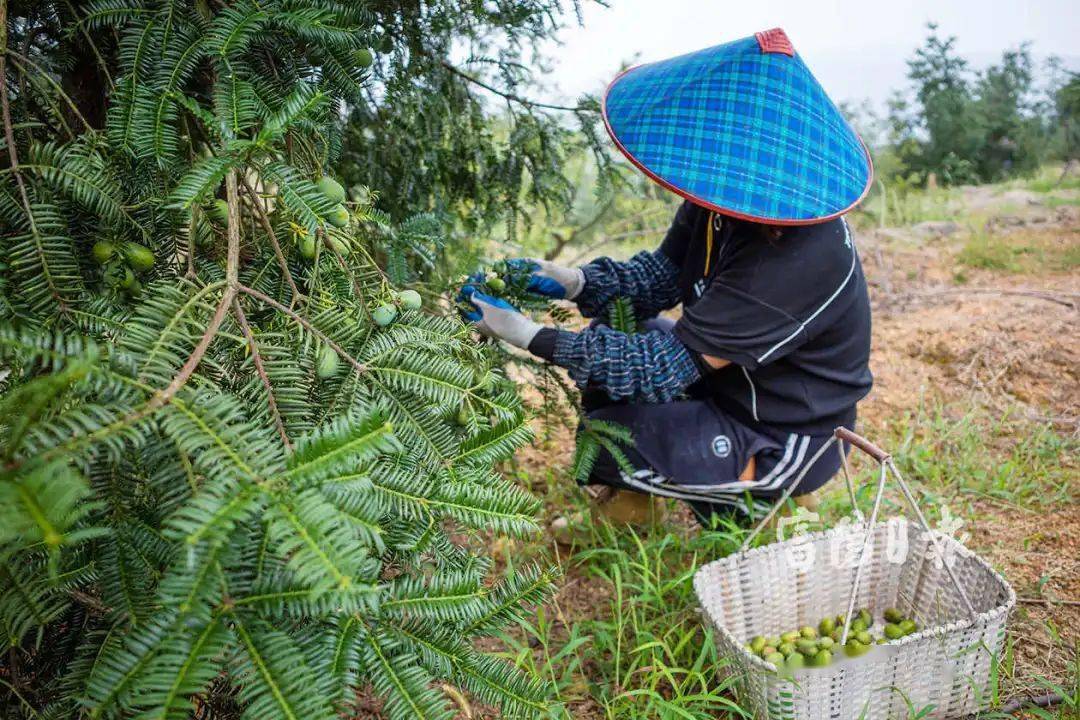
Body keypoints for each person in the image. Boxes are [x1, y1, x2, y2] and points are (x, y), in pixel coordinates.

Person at [460, 28, 874, 527]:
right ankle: (634, 508)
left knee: (618, 431)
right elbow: (661, 277)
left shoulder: (794, 259)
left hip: (784, 432)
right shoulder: (724, 204)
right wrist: (573, 281)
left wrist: (528, 335)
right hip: (730, 385)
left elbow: (660, 369)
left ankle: (773, 500)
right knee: (624, 331)